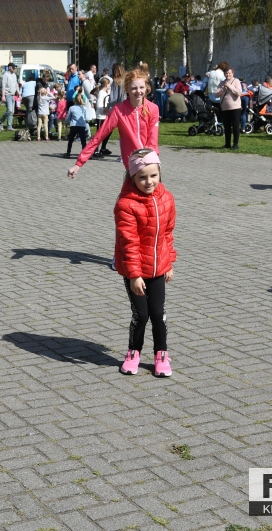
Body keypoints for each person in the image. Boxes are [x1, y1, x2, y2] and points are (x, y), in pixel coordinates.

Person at [115, 149, 176, 377]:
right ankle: (133, 352)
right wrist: (134, 275)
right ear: (132, 178)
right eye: (142, 177)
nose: (149, 182)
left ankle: (161, 354)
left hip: (159, 268)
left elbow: (168, 233)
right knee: (141, 315)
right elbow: (128, 243)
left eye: (153, 176)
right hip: (136, 271)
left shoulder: (167, 199)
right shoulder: (126, 205)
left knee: (158, 313)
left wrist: (169, 262)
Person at [68, 66, 160, 178]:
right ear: (127, 89)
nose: (138, 91)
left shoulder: (153, 109)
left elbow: (153, 140)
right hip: (132, 165)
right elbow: (99, 137)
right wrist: (78, 164)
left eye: (141, 87)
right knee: (129, 190)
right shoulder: (118, 111)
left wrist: (148, 160)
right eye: (134, 88)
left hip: (150, 164)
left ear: (146, 88)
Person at [215, 66, 243, 150]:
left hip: (235, 108)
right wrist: (223, 89)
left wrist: (230, 86)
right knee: (226, 127)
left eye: (229, 73)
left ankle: (235, 144)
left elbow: (238, 93)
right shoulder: (222, 83)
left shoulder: (236, 81)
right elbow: (216, 94)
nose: (228, 75)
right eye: (226, 73)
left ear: (232, 73)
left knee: (235, 126)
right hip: (225, 108)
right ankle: (227, 144)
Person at [64, 93, 90, 158]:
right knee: (83, 140)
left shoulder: (71, 108)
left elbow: (67, 118)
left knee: (71, 140)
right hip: (82, 126)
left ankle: (68, 153)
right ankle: (84, 154)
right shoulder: (84, 108)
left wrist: (68, 122)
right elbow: (87, 118)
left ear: (74, 100)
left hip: (73, 125)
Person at [95, 76, 112, 154]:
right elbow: (99, 106)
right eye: (109, 84)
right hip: (101, 117)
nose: (110, 86)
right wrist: (105, 110)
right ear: (106, 84)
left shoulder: (105, 93)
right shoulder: (101, 93)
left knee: (108, 132)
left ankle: (103, 148)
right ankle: (95, 150)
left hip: (105, 116)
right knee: (99, 134)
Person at [0, 64, 18, 130]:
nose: (14, 69)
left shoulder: (14, 75)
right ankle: (0, 122)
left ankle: (9, 126)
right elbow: (3, 86)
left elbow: (16, 85)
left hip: (13, 95)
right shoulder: (5, 75)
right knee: (9, 110)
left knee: (12, 112)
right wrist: (3, 96)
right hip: (7, 95)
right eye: (13, 67)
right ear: (10, 67)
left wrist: (19, 93)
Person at [35, 77, 52, 141]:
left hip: (39, 113)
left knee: (39, 125)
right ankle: (47, 137)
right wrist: (49, 93)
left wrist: (39, 92)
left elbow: (39, 94)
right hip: (45, 113)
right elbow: (53, 97)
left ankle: (38, 137)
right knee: (45, 126)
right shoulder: (46, 98)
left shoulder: (38, 98)